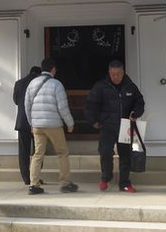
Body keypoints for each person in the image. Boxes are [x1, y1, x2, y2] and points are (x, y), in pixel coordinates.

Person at [85, 60, 145, 192]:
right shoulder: (101, 86)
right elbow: (91, 105)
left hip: (125, 126)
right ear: (109, 73)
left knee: (125, 155)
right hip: (107, 125)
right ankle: (106, 178)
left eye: (118, 74)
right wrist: (93, 120)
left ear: (123, 73)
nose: (116, 77)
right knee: (105, 152)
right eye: (113, 74)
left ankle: (124, 183)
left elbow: (139, 102)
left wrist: (135, 114)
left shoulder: (130, 87)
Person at [24, 57, 78, 195]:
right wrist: (70, 123)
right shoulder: (56, 84)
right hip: (53, 124)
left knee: (38, 154)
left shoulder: (32, 84)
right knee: (62, 152)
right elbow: (63, 107)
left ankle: (34, 184)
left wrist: (32, 123)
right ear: (53, 69)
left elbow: (27, 106)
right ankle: (65, 183)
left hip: (37, 126)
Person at [12, 65, 42, 186]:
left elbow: (15, 100)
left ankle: (26, 178)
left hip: (22, 122)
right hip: (37, 121)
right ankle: (35, 177)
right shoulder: (40, 83)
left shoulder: (19, 83)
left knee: (23, 151)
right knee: (38, 151)